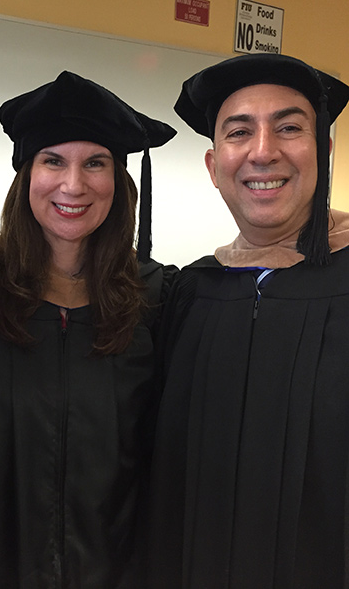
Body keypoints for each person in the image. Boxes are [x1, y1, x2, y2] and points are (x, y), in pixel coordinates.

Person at [0, 71, 177, 588]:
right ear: (26, 177)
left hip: (117, 571)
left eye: (95, 163)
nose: (73, 184)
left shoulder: (158, 296)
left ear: (119, 181)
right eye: (52, 160)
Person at [148, 54, 349, 587]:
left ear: (324, 152)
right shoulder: (192, 292)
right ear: (215, 168)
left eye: (289, 127)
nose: (264, 151)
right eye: (240, 132)